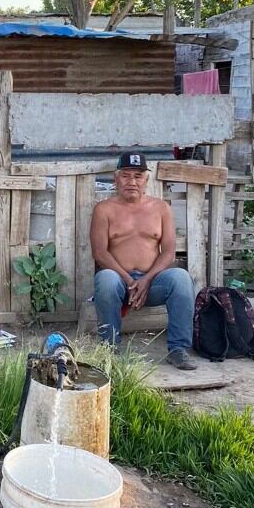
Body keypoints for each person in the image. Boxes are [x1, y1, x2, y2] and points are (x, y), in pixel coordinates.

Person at [90, 151, 196, 370]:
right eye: (126, 175)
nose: (132, 182)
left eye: (138, 176)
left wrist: (146, 280)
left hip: (152, 283)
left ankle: (178, 349)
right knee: (106, 279)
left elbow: (168, 252)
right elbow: (100, 253)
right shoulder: (104, 209)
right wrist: (130, 281)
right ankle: (110, 347)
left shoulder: (161, 208)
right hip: (120, 284)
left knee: (181, 277)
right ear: (116, 178)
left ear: (146, 179)